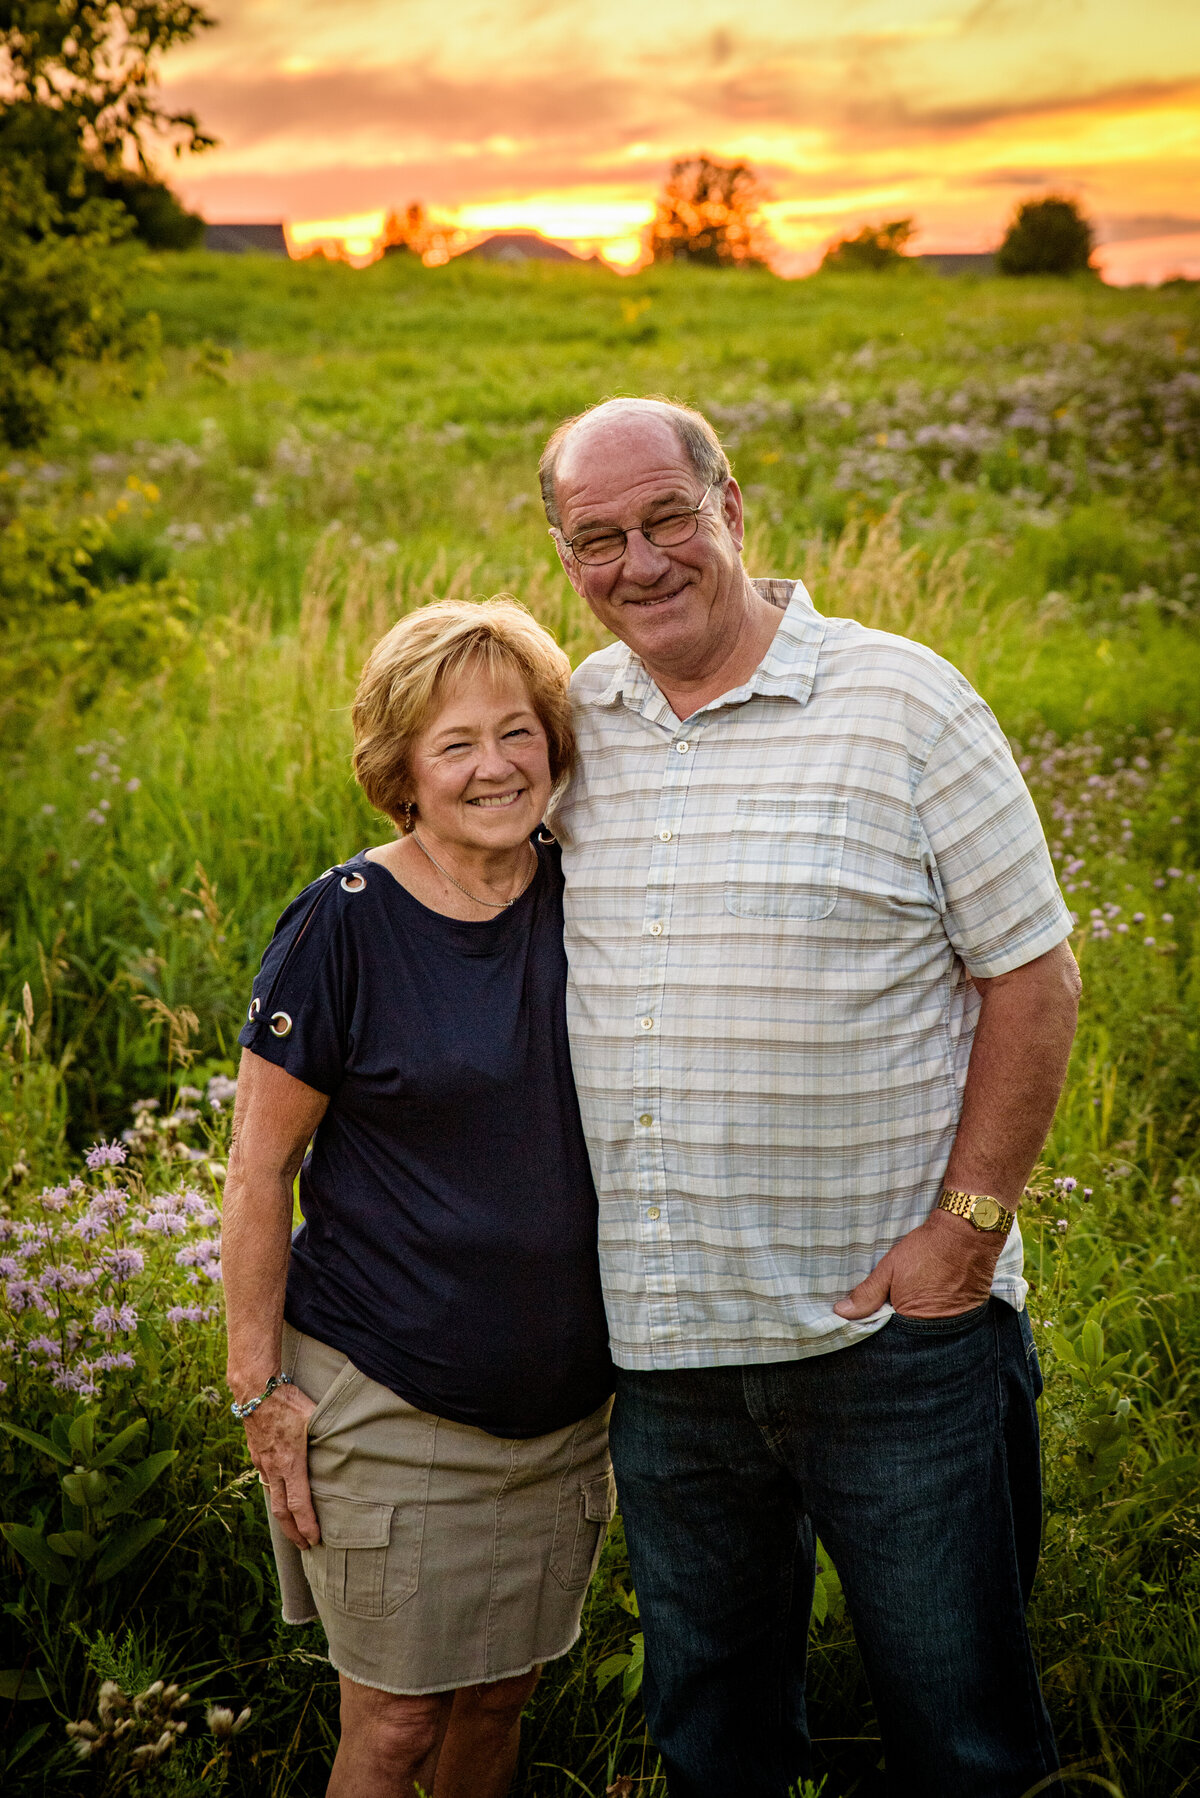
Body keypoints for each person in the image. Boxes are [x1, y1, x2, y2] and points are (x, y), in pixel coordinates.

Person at [537, 396, 1081, 1798]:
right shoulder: (568, 725)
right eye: (599, 537)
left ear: (734, 506)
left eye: (666, 517)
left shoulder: (903, 698)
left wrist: (966, 1231)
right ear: (563, 554)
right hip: (666, 1355)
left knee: (961, 1736)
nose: (640, 560)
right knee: (714, 1738)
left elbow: (1034, 976)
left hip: (894, 1341)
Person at [222, 598, 615, 1798]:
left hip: (564, 1413)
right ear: (402, 770)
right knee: (393, 1728)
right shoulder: (343, 924)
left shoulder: (591, 894)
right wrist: (260, 1391)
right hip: (388, 1398)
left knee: (498, 1704)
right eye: (455, 744)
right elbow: (258, 1171)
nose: (495, 766)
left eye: (518, 732)